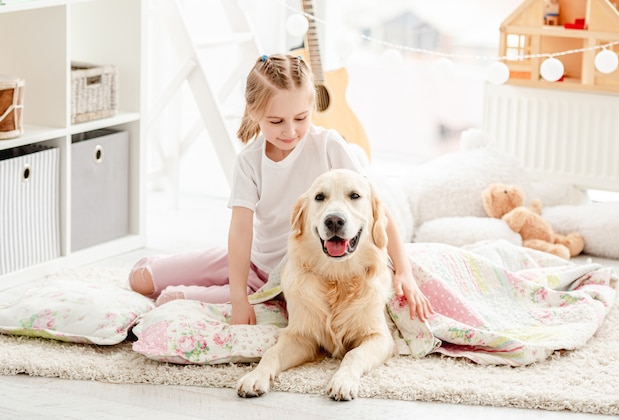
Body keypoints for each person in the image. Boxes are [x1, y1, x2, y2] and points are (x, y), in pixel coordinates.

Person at [129, 53, 433, 325]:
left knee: (169, 300)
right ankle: (185, 275)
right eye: (276, 121)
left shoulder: (328, 145)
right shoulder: (249, 160)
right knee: (140, 280)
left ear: (312, 106)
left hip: (288, 277)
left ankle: (219, 291)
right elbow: (240, 232)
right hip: (253, 261)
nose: (290, 131)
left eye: (300, 118)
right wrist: (237, 297)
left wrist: (403, 270)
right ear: (253, 112)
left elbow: (376, 208)